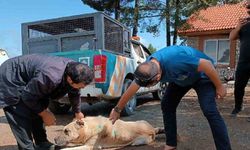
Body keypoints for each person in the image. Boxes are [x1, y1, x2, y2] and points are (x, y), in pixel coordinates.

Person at [109, 45, 231, 150]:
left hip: (202, 76)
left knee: (209, 110)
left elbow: (207, 64)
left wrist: (219, 86)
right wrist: (117, 109)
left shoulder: (176, 61)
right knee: (167, 104)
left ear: (157, 78)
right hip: (181, 78)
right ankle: (171, 143)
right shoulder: (147, 68)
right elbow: (132, 88)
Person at [0, 54, 94, 150]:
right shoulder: (51, 76)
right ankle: (27, 147)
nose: (82, 88)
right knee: (20, 112)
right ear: (70, 79)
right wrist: (45, 114)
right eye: (82, 86)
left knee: (39, 105)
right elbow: (27, 96)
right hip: (11, 76)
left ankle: (41, 143)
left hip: (34, 79)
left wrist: (77, 111)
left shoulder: (74, 70)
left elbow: (74, 91)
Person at [229, 0, 250, 119]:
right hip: (243, 61)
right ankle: (238, 107)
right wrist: (238, 27)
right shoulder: (244, 24)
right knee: (238, 86)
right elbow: (231, 37)